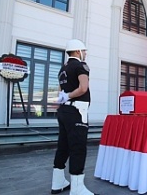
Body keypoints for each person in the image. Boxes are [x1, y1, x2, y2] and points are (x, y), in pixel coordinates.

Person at [51, 39, 98, 195]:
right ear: (78, 51)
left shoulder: (63, 69)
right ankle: (78, 189)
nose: (85, 54)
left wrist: (63, 98)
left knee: (63, 147)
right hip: (76, 112)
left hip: (64, 112)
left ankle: (57, 183)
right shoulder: (80, 66)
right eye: (84, 51)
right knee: (78, 148)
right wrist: (70, 96)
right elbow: (83, 88)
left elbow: (61, 91)